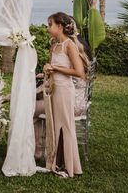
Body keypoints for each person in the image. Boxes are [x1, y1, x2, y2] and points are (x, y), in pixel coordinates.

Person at [37, 12, 87, 178]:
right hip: (53, 90)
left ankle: (70, 167)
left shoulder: (69, 45)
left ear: (59, 26)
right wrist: (46, 70)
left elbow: (78, 72)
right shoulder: (54, 45)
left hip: (65, 91)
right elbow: (53, 66)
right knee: (54, 125)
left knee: (66, 126)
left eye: (50, 24)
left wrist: (56, 68)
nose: (47, 28)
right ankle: (55, 163)